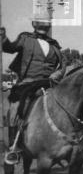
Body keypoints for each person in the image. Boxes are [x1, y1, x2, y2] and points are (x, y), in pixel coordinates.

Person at [1, 12, 65, 164]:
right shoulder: (25, 39)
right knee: (16, 107)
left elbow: (62, 66)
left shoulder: (54, 45)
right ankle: (14, 147)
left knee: (67, 102)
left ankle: (74, 138)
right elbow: (9, 48)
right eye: (40, 23)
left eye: (45, 23)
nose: (43, 25)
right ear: (34, 25)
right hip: (28, 83)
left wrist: (55, 76)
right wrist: (3, 37)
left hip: (49, 83)